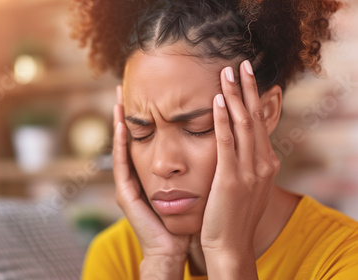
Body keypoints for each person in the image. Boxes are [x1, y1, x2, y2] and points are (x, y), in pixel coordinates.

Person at [69, 0, 358, 279]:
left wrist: (228, 257)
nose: (162, 164)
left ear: (265, 113)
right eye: (141, 132)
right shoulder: (116, 256)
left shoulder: (342, 258)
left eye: (198, 127)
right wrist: (161, 264)